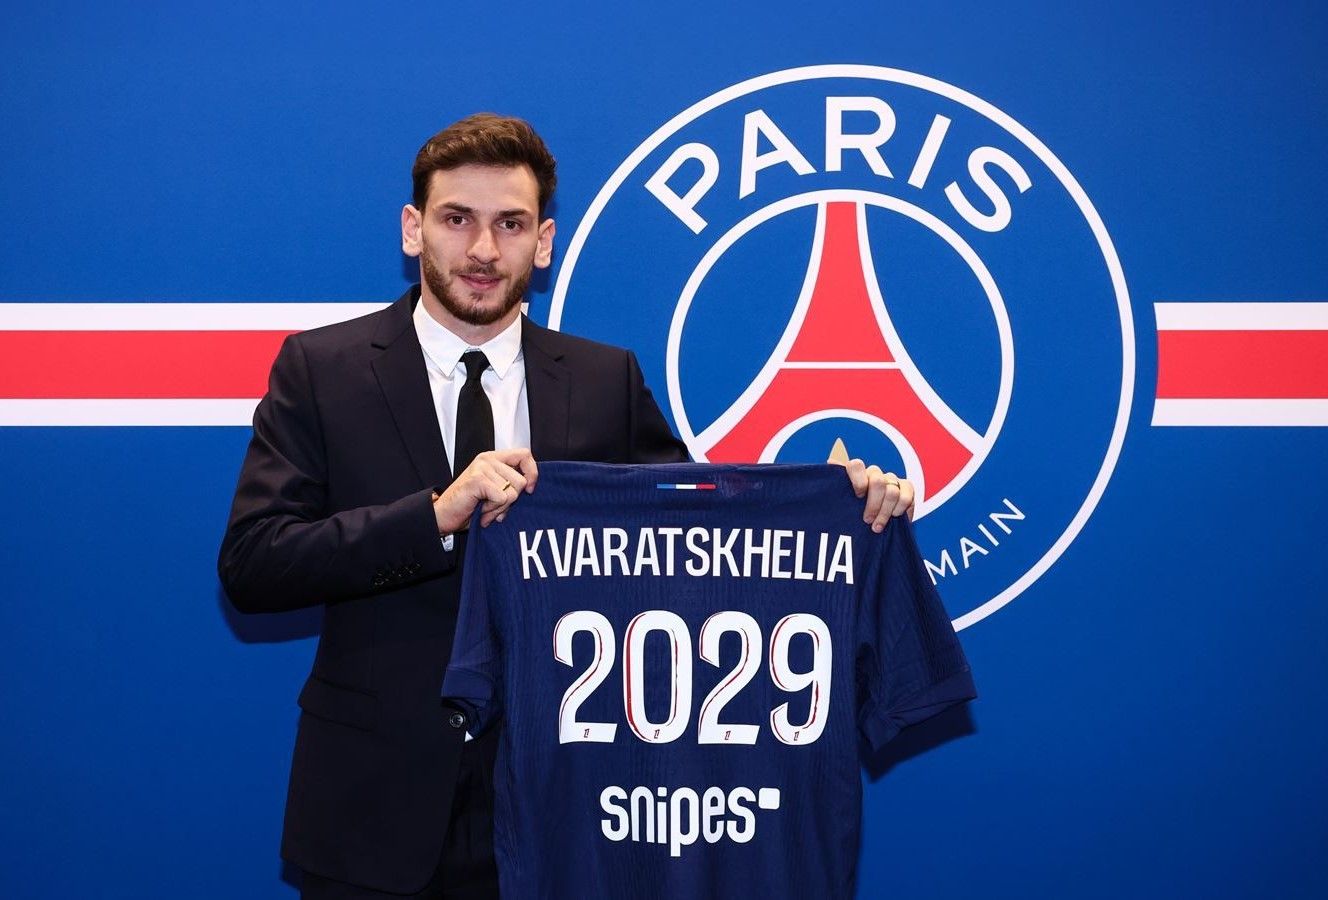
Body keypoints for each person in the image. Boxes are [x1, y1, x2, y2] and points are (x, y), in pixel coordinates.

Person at [218, 113, 915, 899]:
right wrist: (436, 515)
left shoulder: (603, 380)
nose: (484, 251)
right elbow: (255, 563)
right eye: (458, 219)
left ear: (544, 242)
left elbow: (699, 550)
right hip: (374, 808)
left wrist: (827, 508)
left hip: (572, 810)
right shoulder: (324, 369)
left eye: (511, 224)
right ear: (414, 229)